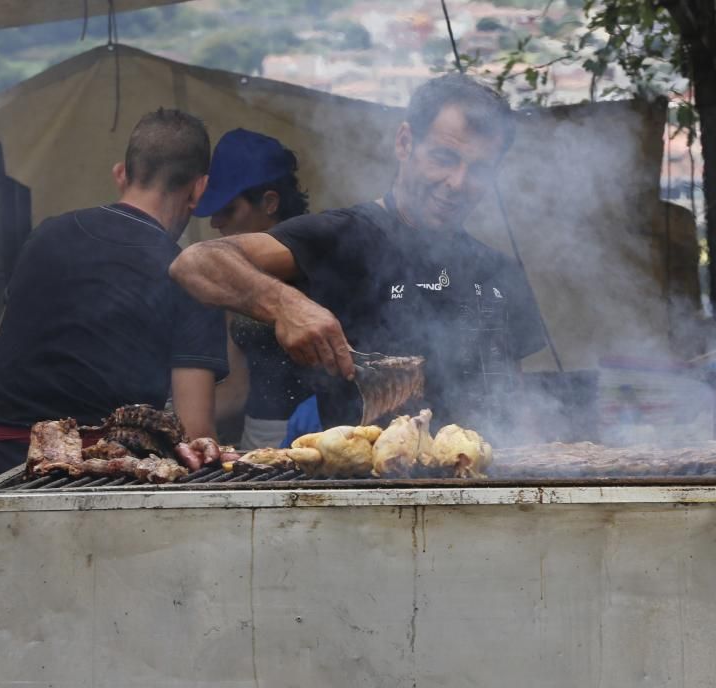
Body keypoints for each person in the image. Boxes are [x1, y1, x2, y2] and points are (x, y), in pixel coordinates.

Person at [169, 74, 546, 435]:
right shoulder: (341, 236)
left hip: (481, 489)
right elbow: (196, 263)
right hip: (366, 494)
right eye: (444, 158)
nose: (458, 183)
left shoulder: (499, 271)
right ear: (404, 143)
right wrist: (284, 304)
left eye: (480, 169)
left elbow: (515, 403)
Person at [0, 108, 228, 488]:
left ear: (121, 173)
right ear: (199, 190)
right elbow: (196, 433)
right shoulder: (189, 273)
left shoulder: (46, 236)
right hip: (94, 481)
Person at [192, 128, 314, 450]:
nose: (216, 222)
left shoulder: (320, 258)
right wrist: (172, 415)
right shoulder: (237, 276)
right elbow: (236, 389)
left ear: (270, 202)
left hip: (320, 442)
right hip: (256, 448)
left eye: (228, 209)